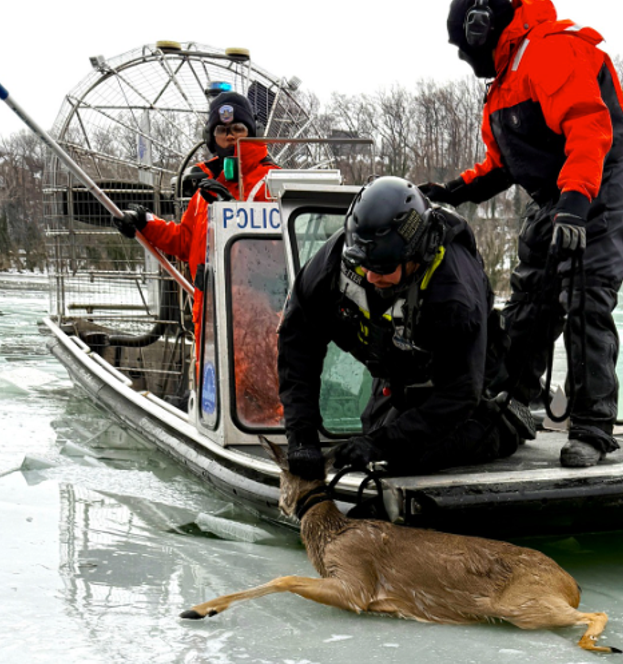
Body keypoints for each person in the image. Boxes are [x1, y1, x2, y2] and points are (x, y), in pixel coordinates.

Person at [421, 0, 623, 469]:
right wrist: (452, 189)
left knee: (585, 299)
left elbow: (589, 128)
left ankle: (592, 427)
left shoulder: (551, 51)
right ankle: (508, 406)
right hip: (556, 195)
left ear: (481, 29)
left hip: (602, 182)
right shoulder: (504, 83)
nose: (463, 57)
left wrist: (575, 205)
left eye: (463, 46)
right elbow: (501, 165)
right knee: (529, 304)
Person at [277, 176, 535, 483]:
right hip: (398, 366)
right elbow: (297, 347)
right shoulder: (331, 267)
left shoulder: (455, 295)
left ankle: (505, 421)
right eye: (362, 264)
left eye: (384, 267)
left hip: (459, 378)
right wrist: (302, 438)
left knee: (411, 456)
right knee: (369, 442)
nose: (371, 277)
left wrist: (383, 444)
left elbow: (458, 393)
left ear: (416, 256)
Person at [114, 89, 279, 350]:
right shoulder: (205, 190)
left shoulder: (270, 184)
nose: (231, 137)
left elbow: (278, 262)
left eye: (238, 129)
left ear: (253, 133)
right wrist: (144, 223)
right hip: (208, 316)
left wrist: (231, 217)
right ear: (211, 139)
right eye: (223, 131)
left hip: (257, 320)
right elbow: (184, 242)